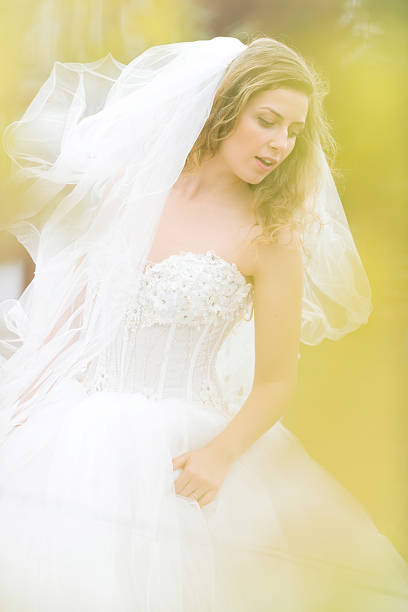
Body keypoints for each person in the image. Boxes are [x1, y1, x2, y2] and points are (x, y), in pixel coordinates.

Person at [0, 35, 407, 611]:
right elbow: (70, 322)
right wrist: (19, 411)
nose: (280, 144)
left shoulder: (271, 238)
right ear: (221, 110)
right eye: (267, 120)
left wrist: (219, 455)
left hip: (191, 449)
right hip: (76, 429)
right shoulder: (130, 193)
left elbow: (275, 382)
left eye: (293, 131)